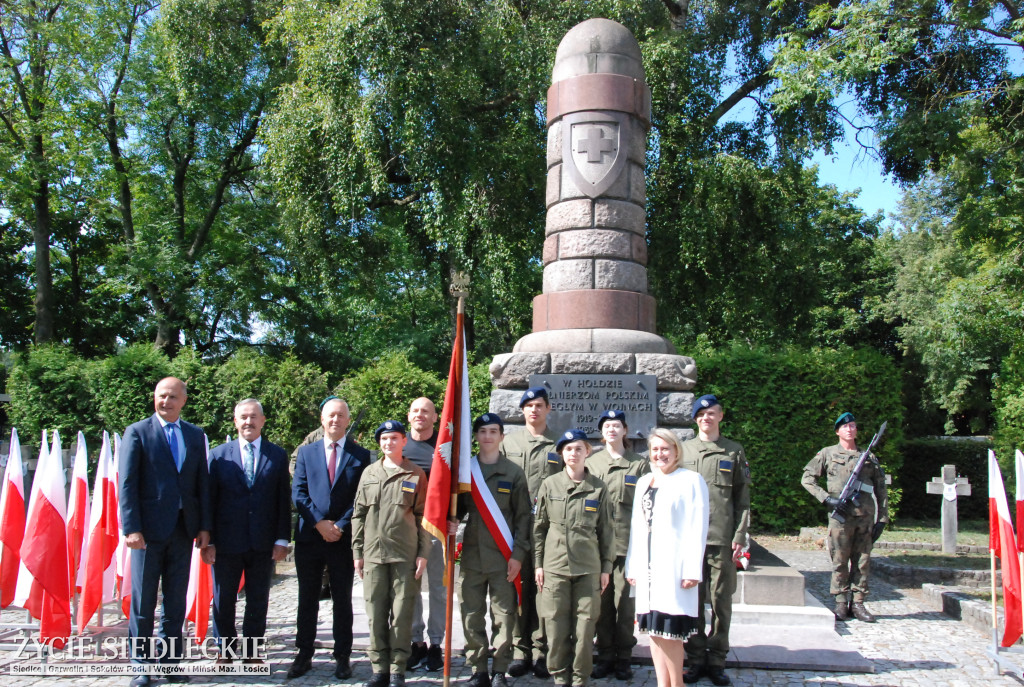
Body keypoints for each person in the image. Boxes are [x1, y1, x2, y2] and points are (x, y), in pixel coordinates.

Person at [119, 377, 211, 687]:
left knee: (175, 602)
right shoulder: (138, 432)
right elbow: (128, 484)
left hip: (183, 532)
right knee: (143, 602)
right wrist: (131, 528)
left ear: (183, 400)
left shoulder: (195, 436)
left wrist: (203, 527)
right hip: (147, 534)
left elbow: (201, 485)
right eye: (161, 396)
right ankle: (141, 665)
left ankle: (171, 662)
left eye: (172, 397)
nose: (166, 401)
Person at [204, 399, 291, 663]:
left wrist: (281, 538)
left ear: (263, 421)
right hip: (226, 542)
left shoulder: (277, 455)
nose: (248, 422)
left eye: (253, 417)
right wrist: (208, 539)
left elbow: (282, 500)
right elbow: (209, 499)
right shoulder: (219, 456)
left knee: (258, 599)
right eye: (243, 417)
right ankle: (225, 651)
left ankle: (252, 652)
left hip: (263, 542)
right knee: (224, 600)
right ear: (235, 421)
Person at [290, 396, 370, 680]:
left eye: (340, 415)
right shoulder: (306, 452)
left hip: (342, 538)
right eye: (330, 416)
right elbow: (298, 493)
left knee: (342, 599)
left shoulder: (361, 456)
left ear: (348, 420)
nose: (335, 420)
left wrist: (339, 525)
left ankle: (343, 656)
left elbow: (361, 498)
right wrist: (319, 523)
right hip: (310, 538)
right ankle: (303, 653)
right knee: (307, 597)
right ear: (322, 420)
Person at [451, 413, 532, 687]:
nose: (487, 436)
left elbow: (523, 518)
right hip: (473, 557)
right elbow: (458, 511)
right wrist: (450, 523)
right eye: (482, 431)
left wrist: (518, 556)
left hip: (503, 557)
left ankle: (499, 669)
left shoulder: (514, 472)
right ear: (475, 435)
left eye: (493, 431)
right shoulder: (465, 471)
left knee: (504, 616)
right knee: (471, 614)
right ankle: (478, 669)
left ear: (502, 436)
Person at [625, 428, 709, 687]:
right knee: (654, 630)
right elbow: (637, 526)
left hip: (674, 566)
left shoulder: (692, 480)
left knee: (672, 633)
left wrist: (692, 569)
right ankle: (663, 683)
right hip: (647, 566)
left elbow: (699, 526)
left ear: (676, 451)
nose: (660, 454)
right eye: (655, 449)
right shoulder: (644, 482)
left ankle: (677, 684)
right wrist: (632, 566)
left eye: (665, 449)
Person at [352, 420, 431, 687]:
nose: (389, 443)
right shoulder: (369, 474)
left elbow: (423, 517)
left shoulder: (416, 474)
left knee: (402, 614)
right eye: (385, 439)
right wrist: (357, 551)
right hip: (374, 555)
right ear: (380, 443)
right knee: (375, 614)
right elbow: (358, 515)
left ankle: (398, 668)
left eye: (395, 438)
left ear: (404, 441)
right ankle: (379, 668)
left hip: (404, 555)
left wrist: (423, 552)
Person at [534, 428, 613, 687]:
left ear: (587, 452)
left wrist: (605, 567)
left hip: (587, 567)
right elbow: (540, 528)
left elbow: (606, 531)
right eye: (568, 449)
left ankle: (580, 678)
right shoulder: (550, 484)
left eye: (579, 448)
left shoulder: (598, 488)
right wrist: (538, 564)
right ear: (561, 454)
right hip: (555, 566)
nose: (573, 453)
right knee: (555, 626)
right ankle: (559, 676)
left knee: (585, 627)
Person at [679, 395, 750, 686]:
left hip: (721, 537)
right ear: (695, 419)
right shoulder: (683, 450)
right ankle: (695, 658)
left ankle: (717, 657)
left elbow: (742, 498)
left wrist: (740, 534)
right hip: (690, 540)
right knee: (692, 600)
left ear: (720, 416)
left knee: (721, 600)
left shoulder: (733, 451)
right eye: (701, 414)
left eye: (711, 413)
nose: (706, 418)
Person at [801, 412, 889, 623]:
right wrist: (826, 499)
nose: (849, 429)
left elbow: (881, 489)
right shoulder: (827, 453)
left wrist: (882, 518)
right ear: (837, 431)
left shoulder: (868, 457)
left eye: (852, 426)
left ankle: (858, 603)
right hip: (840, 517)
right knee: (839, 560)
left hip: (865, 517)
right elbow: (807, 479)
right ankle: (841, 602)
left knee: (862, 561)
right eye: (845, 426)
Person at [501, 386, 561, 678]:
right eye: (529, 405)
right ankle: (518, 650)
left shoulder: (559, 445)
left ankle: (542, 651)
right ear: (522, 410)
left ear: (548, 409)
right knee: (516, 588)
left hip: (546, 531)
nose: (534, 410)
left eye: (539, 405)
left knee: (542, 590)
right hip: (513, 528)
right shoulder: (507, 443)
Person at [587, 410, 649, 680]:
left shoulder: (639, 465)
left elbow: (648, 507)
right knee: (601, 607)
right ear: (601, 433)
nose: (612, 430)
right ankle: (605, 655)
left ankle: (624, 657)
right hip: (597, 547)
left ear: (625, 431)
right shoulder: (591, 463)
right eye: (607, 426)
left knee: (624, 606)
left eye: (617, 425)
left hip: (627, 547)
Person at [404, 397, 445, 671]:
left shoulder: (445, 446)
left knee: (439, 590)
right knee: (411, 589)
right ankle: (415, 642)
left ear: (435, 416)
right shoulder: (399, 445)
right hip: (407, 530)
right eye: (416, 410)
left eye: (426, 411)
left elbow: (457, 486)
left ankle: (436, 644)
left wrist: (456, 518)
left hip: (437, 530)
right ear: (409, 416)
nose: (420, 415)